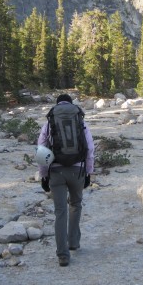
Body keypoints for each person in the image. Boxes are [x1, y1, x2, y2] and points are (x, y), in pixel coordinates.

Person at [37, 94, 95, 267]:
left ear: (57, 106)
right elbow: (90, 149)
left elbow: (42, 149)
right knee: (76, 205)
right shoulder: (80, 122)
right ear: (71, 105)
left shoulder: (49, 123)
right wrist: (88, 172)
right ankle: (73, 243)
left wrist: (44, 175)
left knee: (60, 211)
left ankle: (63, 255)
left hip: (56, 171)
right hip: (77, 171)